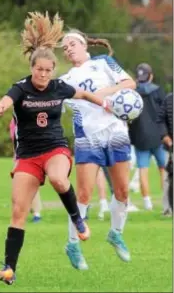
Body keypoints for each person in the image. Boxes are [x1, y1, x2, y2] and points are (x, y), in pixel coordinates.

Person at [0, 12, 109, 285]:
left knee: (58, 179)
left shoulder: (58, 87)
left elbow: (81, 94)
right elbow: (7, 99)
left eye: (48, 70)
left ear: (53, 69)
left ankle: (77, 219)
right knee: (19, 211)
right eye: (38, 69)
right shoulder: (21, 88)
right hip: (28, 156)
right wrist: (0, 106)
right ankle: (9, 268)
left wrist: (103, 103)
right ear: (32, 68)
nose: (43, 74)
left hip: (55, 149)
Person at [60, 29, 136, 269]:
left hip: (116, 131)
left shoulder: (104, 62)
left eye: (72, 43)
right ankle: (72, 244)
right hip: (87, 138)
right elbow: (50, 105)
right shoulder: (64, 80)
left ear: (84, 46)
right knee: (83, 194)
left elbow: (129, 83)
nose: (68, 48)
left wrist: (99, 95)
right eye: (65, 47)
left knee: (123, 190)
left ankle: (116, 233)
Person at [128, 63, 166, 211]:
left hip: (140, 138)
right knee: (164, 168)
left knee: (142, 169)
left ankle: (147, 203)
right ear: (151, 76)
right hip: (158, 136)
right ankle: (166, 199)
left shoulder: (132, 93)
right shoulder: (158, 91)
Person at [9, 118, 42, 222]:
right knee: (21, 186)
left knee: (31, 183)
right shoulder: (14, 123)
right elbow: (15, 141)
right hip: (20, 156)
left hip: (30, 155)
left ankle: (36, 213)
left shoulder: (30, 118)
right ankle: (28, 211)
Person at [157, 92, 173, 213]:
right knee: (170, 177)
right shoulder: (169, 99)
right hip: (171, 146)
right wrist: (165, 135)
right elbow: (160, 120)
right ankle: (167, 208)